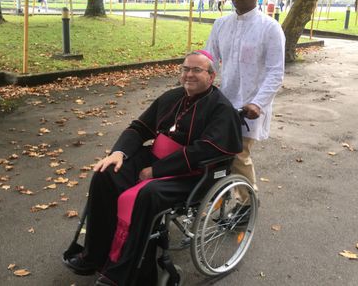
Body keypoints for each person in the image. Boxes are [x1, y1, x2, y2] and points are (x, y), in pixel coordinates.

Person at [62, 51, 243, 286]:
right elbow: (139, 128)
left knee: (147, 195)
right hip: (156, 157)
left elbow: (203, 152)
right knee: (106, 175)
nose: (189, 74)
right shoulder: (171, 97)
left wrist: (155, 171)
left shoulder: (221, 108)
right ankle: (94, 255)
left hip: (193, 173)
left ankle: (125, 273)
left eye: (197, 70)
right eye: (185, 69)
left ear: (211, 76)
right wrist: (118, 153)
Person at [205, 0, 285, 202]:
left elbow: (276, 72)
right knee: (211, 151)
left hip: (249, 106)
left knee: (238, 154)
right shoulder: (221, 25)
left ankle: (248, 203)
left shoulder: (270, 28)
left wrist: (258, 103)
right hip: (221, 102)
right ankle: (220, 196)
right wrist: (195, 77)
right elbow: (209, 61)